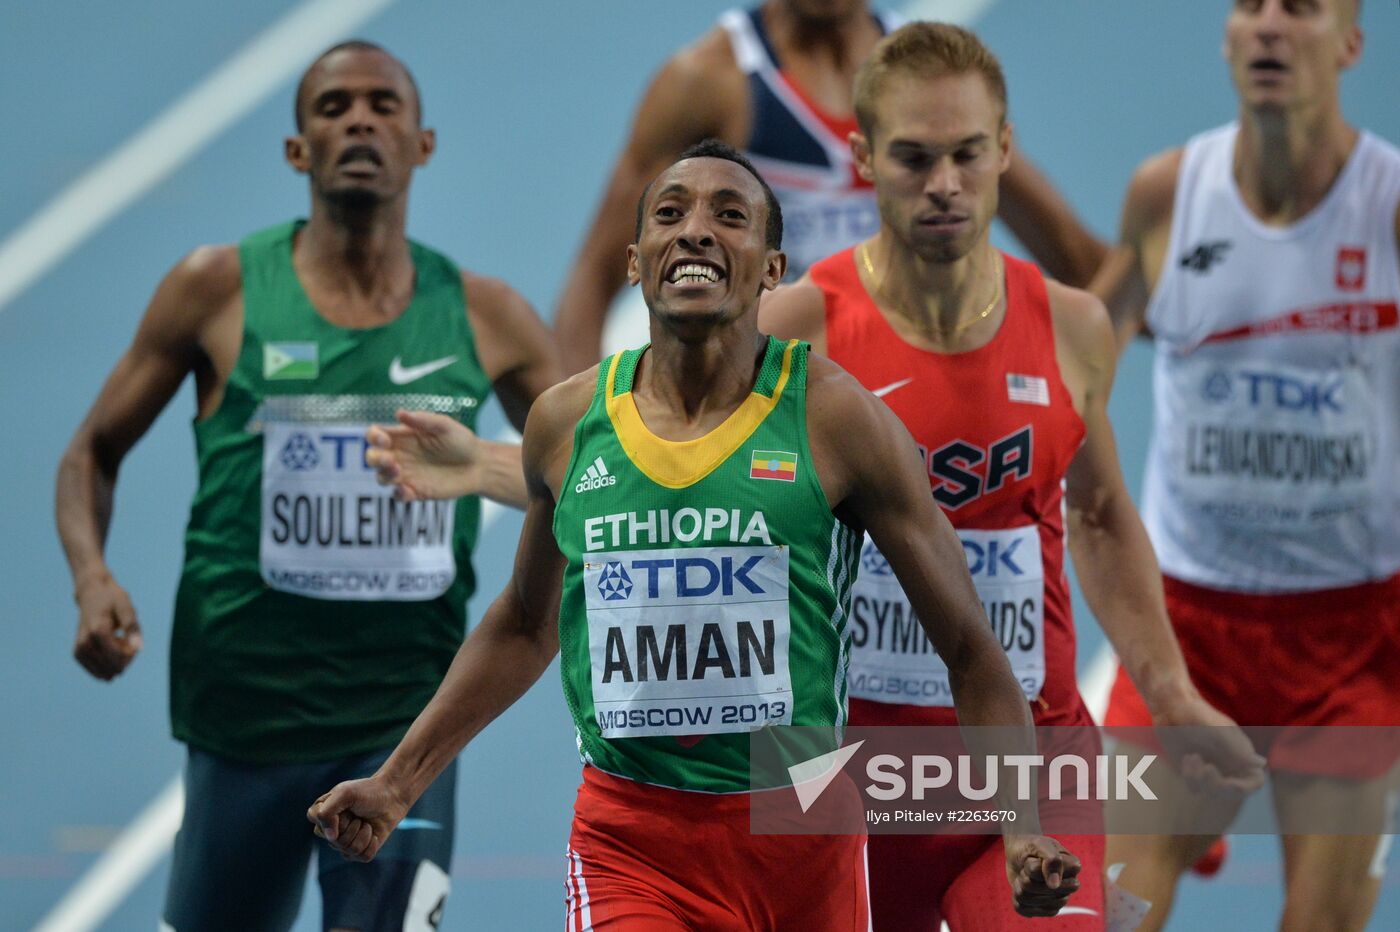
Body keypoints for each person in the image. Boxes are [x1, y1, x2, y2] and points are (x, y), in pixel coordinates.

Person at [308, 140, 1084, 927]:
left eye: (731, 216)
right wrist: (400, 781)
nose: (697, 231)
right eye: (670, 214)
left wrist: (1020, 826)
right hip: (632, 842)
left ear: (773, 268)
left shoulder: (835, 419)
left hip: (802, 833)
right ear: (637, 263)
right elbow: (522, 625)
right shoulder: (569, 423)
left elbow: (969, 648)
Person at [758, 22, 1265, 931]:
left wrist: (1173, 695)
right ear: (864, 157)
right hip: (857, 777)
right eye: (913, 158)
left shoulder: (1071, 326)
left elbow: (1103, 515)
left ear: (1004, 150)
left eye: (966, 154)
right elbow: (692, 487)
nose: (944, 184)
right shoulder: (800, 331)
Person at [55, 41, 560, 931]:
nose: (359, 119)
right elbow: (91, 450)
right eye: (332, 108)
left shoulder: (489, 316)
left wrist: (482, 467)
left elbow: (597, 474)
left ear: (423, 143)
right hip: (244, 715)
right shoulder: (215, 290)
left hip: (407, 720)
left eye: (382, 105)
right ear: (298, 151)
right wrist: (92, 577)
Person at [1091, 0, 1400, 928]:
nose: (1269, 26)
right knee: (1108, 914)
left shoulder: (1388, 206)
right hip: (1185, 627)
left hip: (1352, 645)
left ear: (1350, 43)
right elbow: (1081, 369)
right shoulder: (1167, 193)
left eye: (1299, 8)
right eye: (1250, 6)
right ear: (1226, 38)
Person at [551, 0, 1105, 375]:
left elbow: (1083, 261)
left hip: (911, 397)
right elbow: (593, 280)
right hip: (768, 409)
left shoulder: (929, 80)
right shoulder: (709, 81)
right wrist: (579, 446)